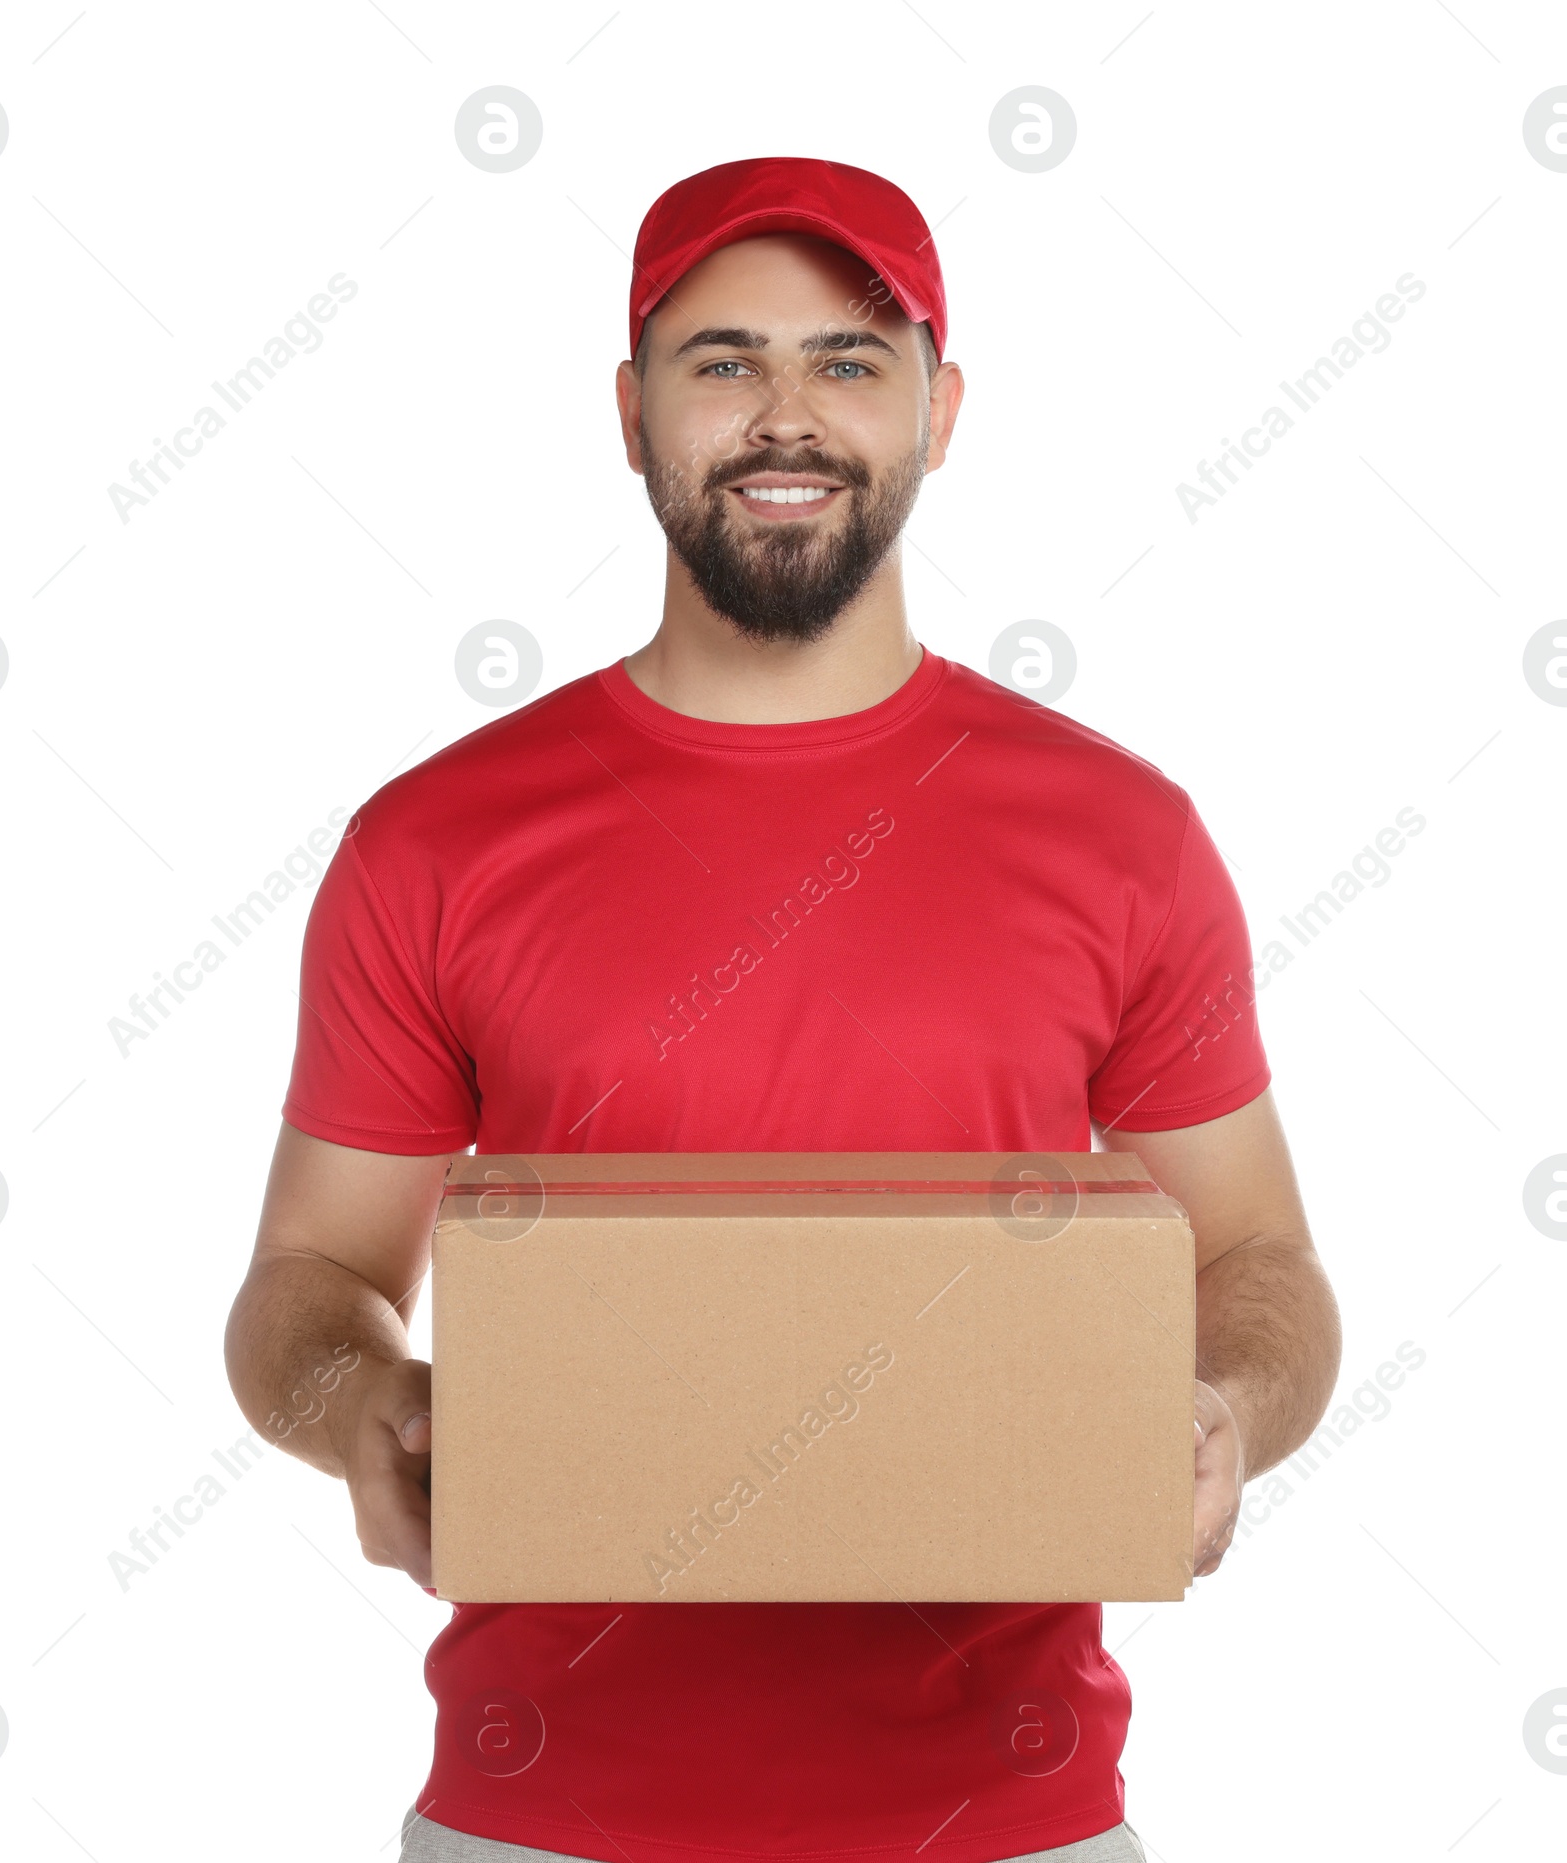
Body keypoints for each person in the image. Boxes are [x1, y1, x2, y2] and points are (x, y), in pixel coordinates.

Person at [224, 156, 1342, 1863]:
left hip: (1012, 1821)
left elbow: (1259, 1262)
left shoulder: (1121, 837)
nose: (786, 415)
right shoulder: (435, 843)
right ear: (631, 410)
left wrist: (1226, 1414)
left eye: (850, 360)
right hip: (546, 1819)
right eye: (724, 361)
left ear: (941, 411)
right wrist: (359, 1408)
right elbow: (308, 1284)